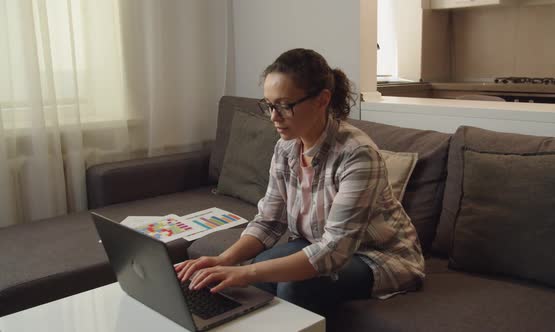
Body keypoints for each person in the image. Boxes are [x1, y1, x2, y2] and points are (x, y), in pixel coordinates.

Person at [176, 48, 425, 315]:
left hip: (376, 256)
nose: (273, 117)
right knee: (262, 266)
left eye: (284, 105)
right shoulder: (285, 148)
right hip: (317, 242)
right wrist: (223, 259)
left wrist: (246, 272)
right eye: (270, 105)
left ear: (322, 100)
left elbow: (334, 251)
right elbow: (269, 222)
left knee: (294, 287)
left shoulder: (358, 155)